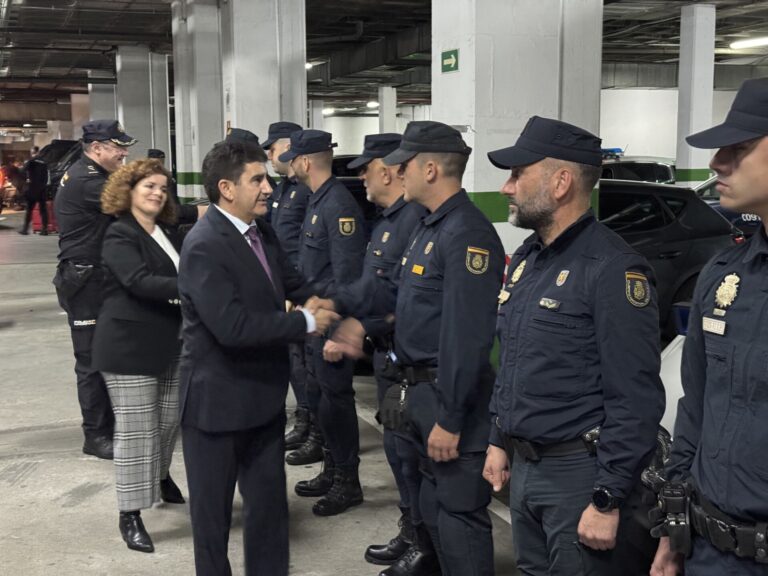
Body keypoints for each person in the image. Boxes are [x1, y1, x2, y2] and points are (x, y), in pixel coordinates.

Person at [481, 116, 665, 576]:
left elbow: (635, 398)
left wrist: (607, 498)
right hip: (525, 468)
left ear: (561, 182)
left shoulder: (612, 269)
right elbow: (518, 364)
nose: (507, 188)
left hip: (579, 477)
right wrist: (498, 439)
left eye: (518, 174)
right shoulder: (527, 258)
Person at [332, 121, 505, 575]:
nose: (397, 171)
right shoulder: (428, 228)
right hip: (418, 394)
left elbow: (468, 338)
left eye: (403, 164)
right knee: (433, 510)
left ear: (430, 169)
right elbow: (405, 307)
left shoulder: (466, 233)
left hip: (449, 403)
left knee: (458, 517)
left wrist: (449, 418)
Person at [178, 141, 338, 575]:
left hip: (263, 401)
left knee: (269, 513)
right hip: (216, 407)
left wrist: (333, 305)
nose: (269, 187)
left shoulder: (259, 231)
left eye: (266, 178)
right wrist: (304, 323)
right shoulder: (204, 245)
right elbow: (232, 329)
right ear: (226, 188)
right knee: (211, 522)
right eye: (258, 180)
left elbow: (293, 282)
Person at [651, 77, 768, 576]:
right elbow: (696, 406)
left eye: (739, 148)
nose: (718, 162)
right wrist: (674, 522)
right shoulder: (725, 275)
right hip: (711, 549)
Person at [320, 133, 429, 571]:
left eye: (366, 168)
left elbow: (407, 300)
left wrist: (357, 326)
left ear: (387, 170)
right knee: (398, 454)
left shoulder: (412, 221)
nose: (362, 176)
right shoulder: (388, 220)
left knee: (411, 459)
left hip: (409, 361)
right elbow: (375, 288)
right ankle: (412, 530)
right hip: (388, 358)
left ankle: (422, 540)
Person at [91, 158, 185, 553]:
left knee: (167, 423)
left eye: (162, 188)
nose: (157, 193)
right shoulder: (119, 234)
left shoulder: (164, 232)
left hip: (170, 342)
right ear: (128, 190)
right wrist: (192, 284)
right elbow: (137, 281)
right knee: (136, 431)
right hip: (128, 346)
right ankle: (130, 513)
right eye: (149, 185)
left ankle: (159, 476)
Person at [279, 129, 367, 516]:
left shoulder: (338, 205)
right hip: (314, 321)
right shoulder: (318, 200)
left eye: (293, 158)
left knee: (336, 402)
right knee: (322, 402)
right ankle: (332, 469)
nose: (290, 164)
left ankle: (348, 480)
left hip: (331, 323)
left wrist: (336, 328)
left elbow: (347, 277)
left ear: (304, 161)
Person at [53, 119, 137, 460]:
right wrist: (198, 213)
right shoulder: (89, 181)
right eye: (118, 147)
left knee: (106, 356)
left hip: (95, 277)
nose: (124, 152)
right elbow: (140, 209)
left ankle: (108, 426)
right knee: (90, 362)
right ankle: (96, 435)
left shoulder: (91, 174)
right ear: (97, 147)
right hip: (84, 281)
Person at [262, 121, 314, 453]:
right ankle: (305, 420)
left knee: (307, 367)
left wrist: (298, 296)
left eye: (272, 148)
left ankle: (313, 428)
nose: (269, 154)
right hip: (284, 287)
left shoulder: (308, 190)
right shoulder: (282, 189)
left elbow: (306, 247)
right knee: (296, 364)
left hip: (300, 289)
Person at [19, 146, 50, 235]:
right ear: (39, 152)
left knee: (29, 210)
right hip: (42, 189)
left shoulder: (31, 161)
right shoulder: (44, 162)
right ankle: (44, 230)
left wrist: (26, 180)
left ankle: (25, 229)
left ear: (33, 152)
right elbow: (47, 176)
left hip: (32, 189)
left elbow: (22, 171)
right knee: (43, 210)